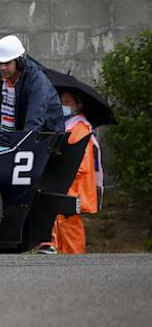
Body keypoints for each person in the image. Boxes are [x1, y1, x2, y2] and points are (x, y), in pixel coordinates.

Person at [39, 90, 103, 254]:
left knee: (68, 224)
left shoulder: (79, 128)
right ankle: (64, 255)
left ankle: (73, 259)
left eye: (68, 103)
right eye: (62, 102)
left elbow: (78, 162)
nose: (63, 106)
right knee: (62, 222)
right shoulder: (69, 125)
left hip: (72, 186)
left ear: (78, 105)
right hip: (67, 184)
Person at [0, 35, 64, 135]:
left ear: (19, 62)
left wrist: (21, 143)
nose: (2, 68)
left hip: (47, 135)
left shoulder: (37, 80)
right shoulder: (2, 76)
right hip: (18, 132)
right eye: (0, 63)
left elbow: (34, 121)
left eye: (7, 63)